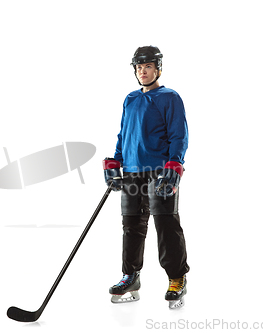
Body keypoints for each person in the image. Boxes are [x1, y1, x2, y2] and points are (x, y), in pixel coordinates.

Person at [103, 45, 190, 309]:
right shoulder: (130, 99)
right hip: (131, 171)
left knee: (166, 226)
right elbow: (123, 134)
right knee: (131, 226)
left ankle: (177, 278)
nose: (143, 71)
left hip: (159, 172)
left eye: (148, 66)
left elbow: (179, 134)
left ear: (158, 68)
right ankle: (131, 276)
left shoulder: (169, 97)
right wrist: (114, 162)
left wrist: (175, 166)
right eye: (139, 67)